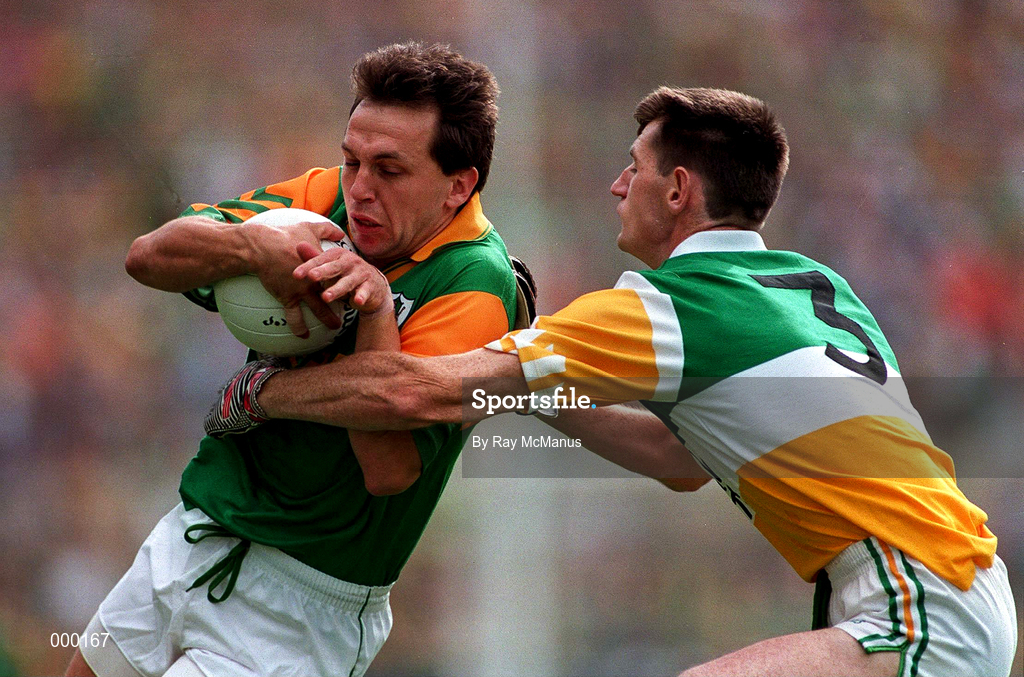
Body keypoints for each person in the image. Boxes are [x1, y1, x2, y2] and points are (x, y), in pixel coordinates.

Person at [207, 86, 1017, 676]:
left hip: (918, 605)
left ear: (679, 190)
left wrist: (265, 395)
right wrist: (529, 386)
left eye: (633, 168)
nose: (616, 186)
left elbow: (413, 391)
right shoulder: (814, 284)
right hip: (952, 588)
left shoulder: (671, 308)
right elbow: (678, 458)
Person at [68, 42, 530, 677]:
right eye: (352, 161)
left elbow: (390, 468)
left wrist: (370, 315)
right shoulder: (320, 198)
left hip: (303, 602)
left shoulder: (475, 284)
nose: (360, 188)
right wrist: (251, 248)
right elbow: (148, 256)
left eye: (389, 171)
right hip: (198, 530)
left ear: (458, 186)